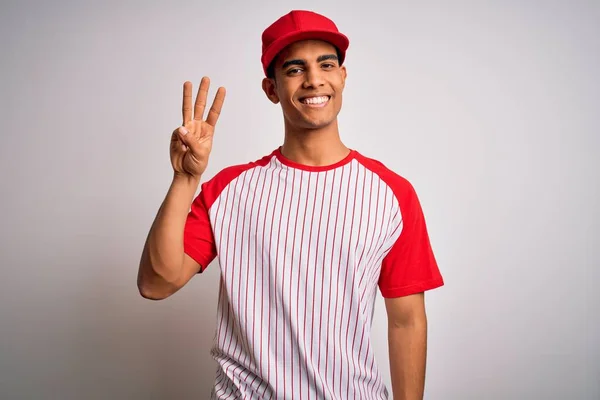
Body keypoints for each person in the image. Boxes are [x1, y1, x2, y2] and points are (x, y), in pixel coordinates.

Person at [137, 9, 444, 400]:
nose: (314, 79)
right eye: (295, 69)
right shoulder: (229, 189)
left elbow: (406, 322)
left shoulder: (392, 193)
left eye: (326, 64)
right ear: (272, 88)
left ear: (342, 77)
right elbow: (156, 283)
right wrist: (185, 179)